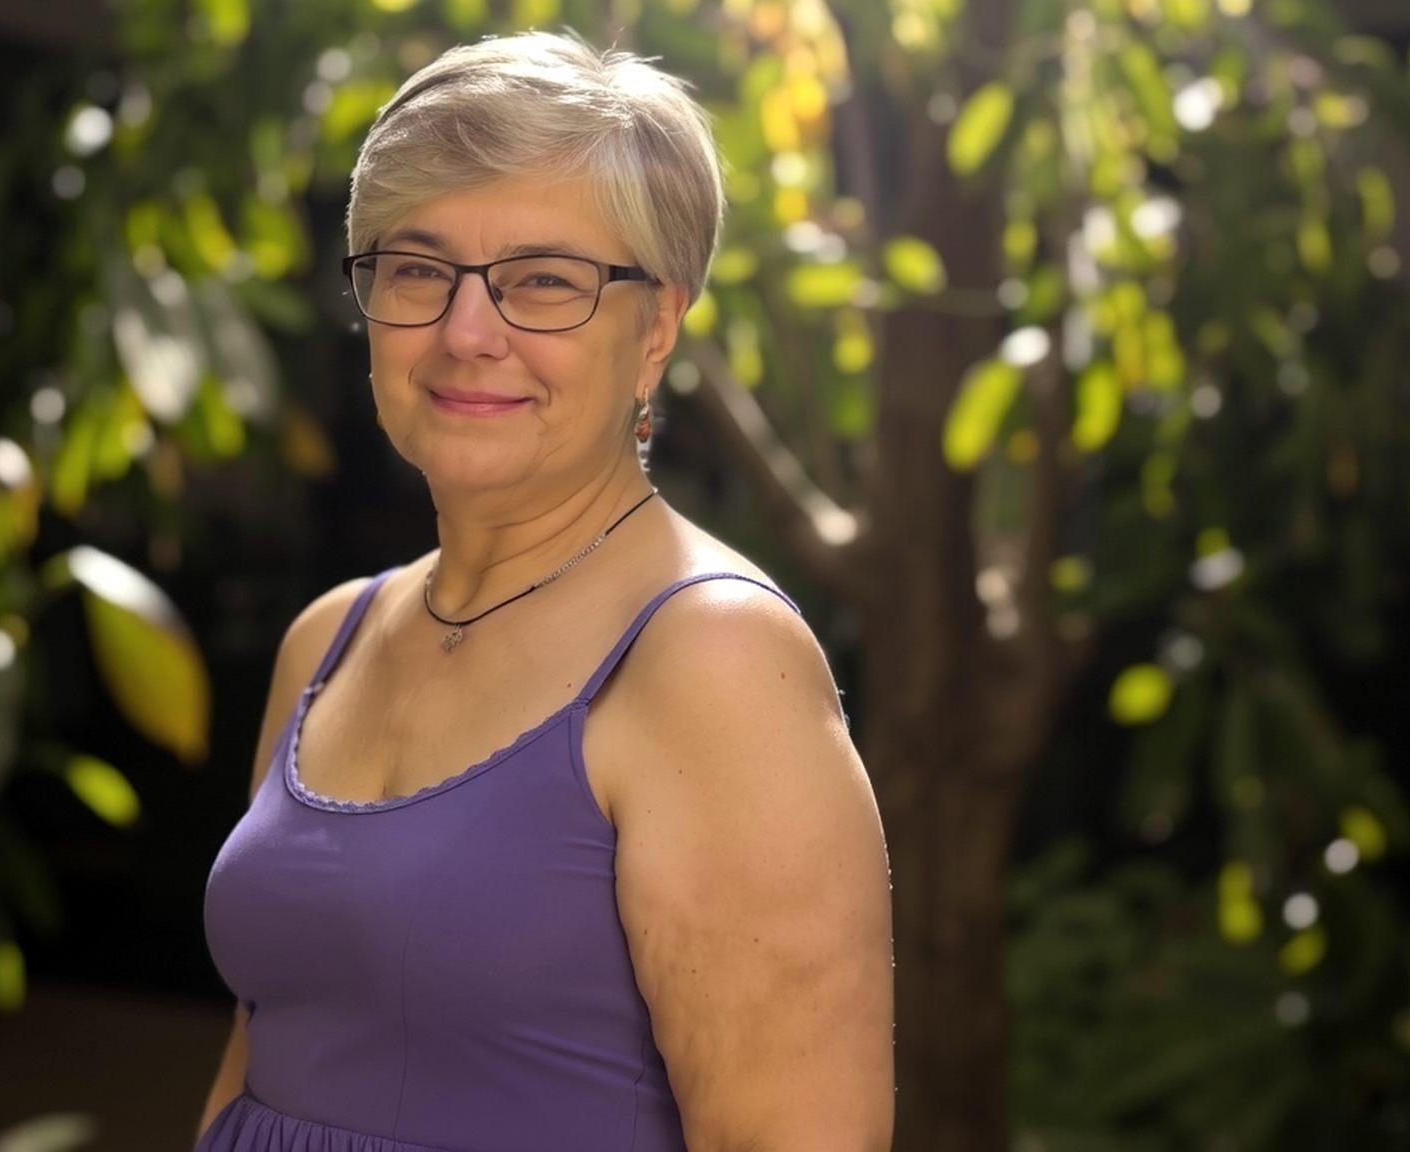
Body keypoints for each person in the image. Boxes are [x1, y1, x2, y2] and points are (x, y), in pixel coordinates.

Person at [194, 29, 892, 1152]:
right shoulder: (329, 638)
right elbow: (255, 1051)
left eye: (545, 283)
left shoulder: (714, 659)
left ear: (655, 328)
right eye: (418, 270)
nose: (468, 333)